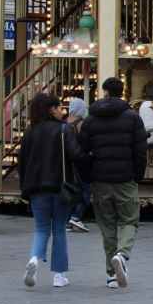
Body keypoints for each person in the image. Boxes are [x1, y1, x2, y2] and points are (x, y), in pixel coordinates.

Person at [79, 77, 147, 289]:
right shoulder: (132, 118)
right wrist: (138, 175)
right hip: (125, 177)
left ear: (105, 92)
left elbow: (82, 151)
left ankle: (111, 275)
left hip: (100, 178)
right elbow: (140, 150)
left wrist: (88, 175)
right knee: (129, 220)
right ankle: (122, 254)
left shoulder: (91, 119)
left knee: (107, 226)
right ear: (122, 91)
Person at [18, 93, 84, 289]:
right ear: (51, 109)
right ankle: (59, 275)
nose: (61, 111)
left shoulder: (30, 132)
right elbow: (75, 154)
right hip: (60, 186)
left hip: (37, 187)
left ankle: (34, 259)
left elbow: (22, 162)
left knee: (41, 229)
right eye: (58, 107)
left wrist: (25, 187)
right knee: (59, 230)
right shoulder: (64, 130)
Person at [65, 98, 92, 233]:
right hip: (81, 163)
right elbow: (85, 143)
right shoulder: (81, 124)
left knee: (72, 193)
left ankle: (68, 220)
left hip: (69, 165)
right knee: (85, 191)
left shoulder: (65, 124)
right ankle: (76, 217)